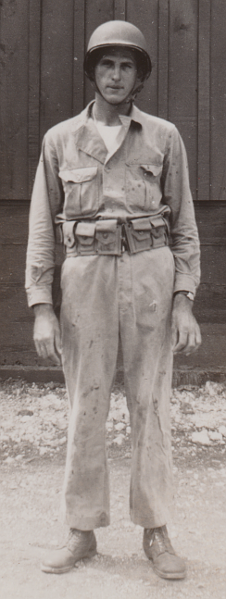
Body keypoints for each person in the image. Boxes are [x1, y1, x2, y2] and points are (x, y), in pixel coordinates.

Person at [25, 20, 201, 580]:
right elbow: (40, 230)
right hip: (85, 281)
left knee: (150, 403)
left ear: (140, 75)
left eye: (127, 65)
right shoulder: (60, 140)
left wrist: (183, 299)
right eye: (107, 64)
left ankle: (156, 530)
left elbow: (185, 226)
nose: (116, 75)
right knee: (86, 404)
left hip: (151, 276)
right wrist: (42, 307)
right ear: (92, 71)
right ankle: (81, 530)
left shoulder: (164, 137)